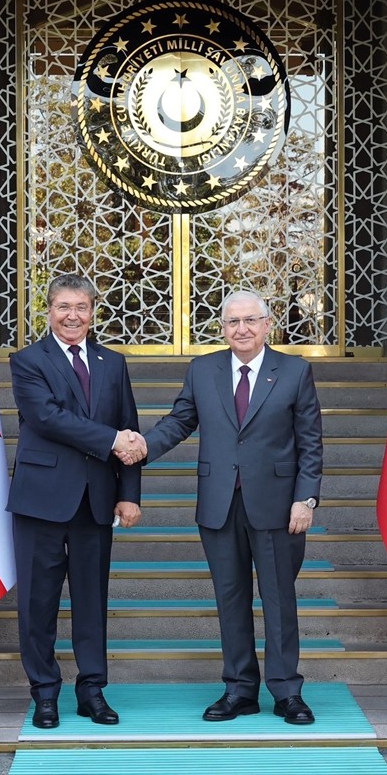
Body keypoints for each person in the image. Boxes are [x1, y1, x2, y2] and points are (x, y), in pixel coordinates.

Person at [123, 290, 322, 725]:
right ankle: (239, 690)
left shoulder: (294, 371)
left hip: (277, 507)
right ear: (222, 328)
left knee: (278, 600)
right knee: (230, 599)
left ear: (268, 324)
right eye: (232, 322)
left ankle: (288, 692)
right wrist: (141, 447)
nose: (242, 329)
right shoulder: (203, 369)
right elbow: (179, 421)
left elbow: (310, 444)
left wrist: (305, 499)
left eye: (251, 320)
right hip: (219, 505)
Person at [5, 274, 144, 729]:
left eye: (81, 307)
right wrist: (111, 440)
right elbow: (46, 418)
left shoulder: (112, 362)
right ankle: (45, 693)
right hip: (41, 501)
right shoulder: (28, 360)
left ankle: (92, 691)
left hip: (96, 501)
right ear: (48, 311)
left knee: (92, 602)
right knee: (37, 603)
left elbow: (130, 424)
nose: (72, 316)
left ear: (93, 311)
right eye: (64, 306)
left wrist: (128, 495)